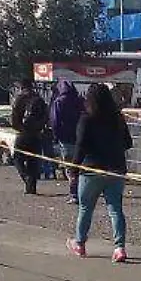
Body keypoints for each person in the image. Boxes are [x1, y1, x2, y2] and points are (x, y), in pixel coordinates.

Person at [70, 82, 133, 262]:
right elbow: (128, 143)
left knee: (85, 207)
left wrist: (73, 168)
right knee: (115, 208)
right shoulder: (117, 117)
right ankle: (119, 247)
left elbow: (80, 145)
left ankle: (80, 243)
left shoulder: (86, 118)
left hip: (91, 168)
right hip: (116, 168)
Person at [10, 81, 50, 195]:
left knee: (17, 158)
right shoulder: (39, 99)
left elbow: (14, 118)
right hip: (36, 135)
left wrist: (20, 129)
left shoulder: (20, 99)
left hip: (23, 134)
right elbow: (46, 117)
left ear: (22, 87)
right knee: (33, 161)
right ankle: (31, 187)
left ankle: (26, 177)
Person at [50, 79, 86, 184]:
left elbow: (55, 121)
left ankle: (74, 192)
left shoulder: (59, 102)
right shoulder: (80, 100)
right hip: (81, 138)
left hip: (65, 139)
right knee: (80, 166)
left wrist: (56, 137)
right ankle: (80, 189)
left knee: (69, 167)